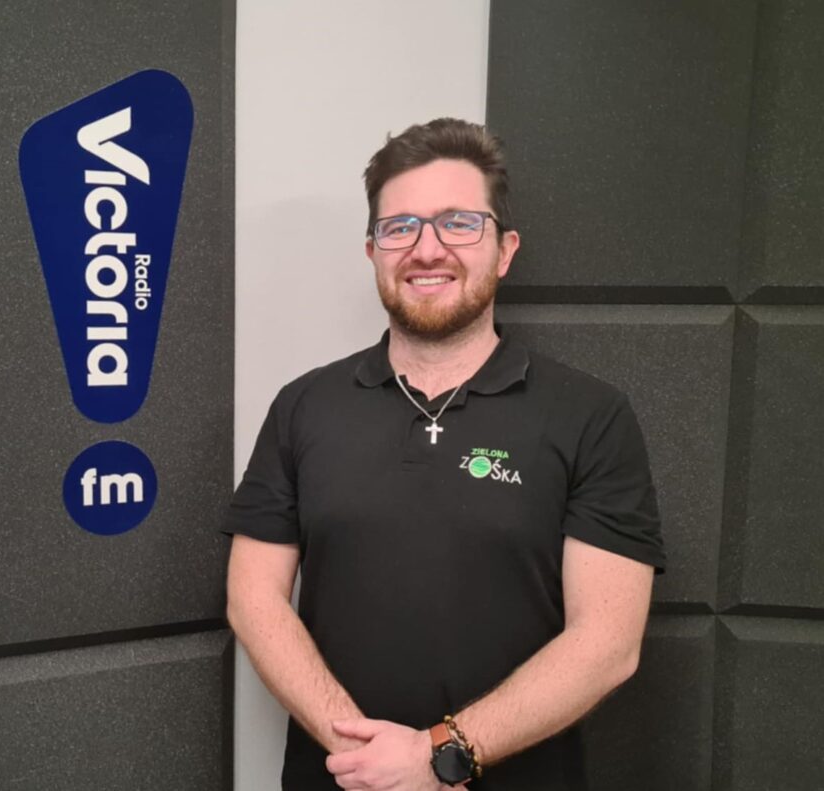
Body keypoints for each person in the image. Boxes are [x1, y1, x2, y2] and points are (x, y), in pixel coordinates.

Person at [224, 118, 665, 790]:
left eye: (459, 223)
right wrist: (368, 758)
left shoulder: (591, 416)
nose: (426, 249)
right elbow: (253, 598)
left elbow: (608, 642)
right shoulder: (303, 406)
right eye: (400, 227)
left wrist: (439, 755)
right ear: (372, 251)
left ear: (505, 249)